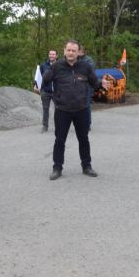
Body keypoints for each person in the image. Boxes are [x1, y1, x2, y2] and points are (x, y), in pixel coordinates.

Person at [42, 40, 111, 180]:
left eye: (74, 50)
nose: (71, 53)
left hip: (81, 109)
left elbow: (94, 83)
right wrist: (44, 79)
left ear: (78, 52)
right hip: (62, 110)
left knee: (83, 139)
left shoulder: (85, 67)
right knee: (59, 140)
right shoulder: (56, 66)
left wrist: (101, 84)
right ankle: (57, 168)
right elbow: (45, 82)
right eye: (69, 50)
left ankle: (87, 166)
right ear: (64, 51)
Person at [35, 49, 58, 133]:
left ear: (56, 56)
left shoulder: (60, 65)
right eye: (50, 54)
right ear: (49, 55)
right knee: (45, 109)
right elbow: (38, 77)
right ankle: (45, 126)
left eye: (53, 54)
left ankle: (58, 126)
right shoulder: (43, 66)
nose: (51, 55)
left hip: (57, 91)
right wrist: (36, 85)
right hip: (45, 91)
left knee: (58, 109)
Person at [78, 44, 96, 130]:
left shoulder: (89, 60)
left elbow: (88, 71)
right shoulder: (75, 60)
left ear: (81, 51)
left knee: (86, 106)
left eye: (78, 51)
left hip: (87, 86)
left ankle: (87, 124)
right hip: (77, 87)